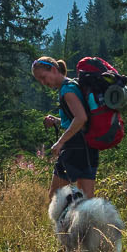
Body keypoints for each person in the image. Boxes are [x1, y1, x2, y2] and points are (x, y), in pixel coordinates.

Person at [33, 56, 97, 199]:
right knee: (87, 201)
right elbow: (76, 118)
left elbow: (81, 118)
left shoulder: (67, 91)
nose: (44, 83)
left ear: (54, 70)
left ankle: (64, 222)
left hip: (75, 148)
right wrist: (57, 120)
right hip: (88, 148)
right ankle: (85, 222)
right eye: (40, 80)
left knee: (55, 198)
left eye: (44, 77)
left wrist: (60, 142)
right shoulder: (71, 85)